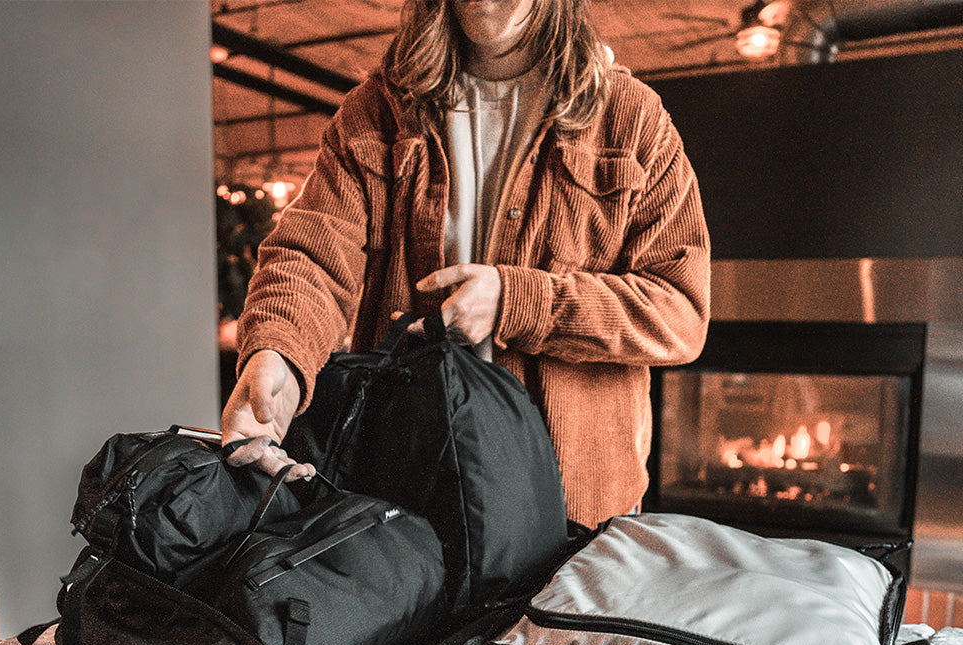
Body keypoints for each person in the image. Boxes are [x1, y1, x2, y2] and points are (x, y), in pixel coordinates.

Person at [221, 0, 710, 528]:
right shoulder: (375, 112)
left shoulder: (632, 118)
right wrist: (277, 355)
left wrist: (515, 301)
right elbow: (311, 254)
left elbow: (680, 310)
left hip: (573, 507)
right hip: (405, 496)